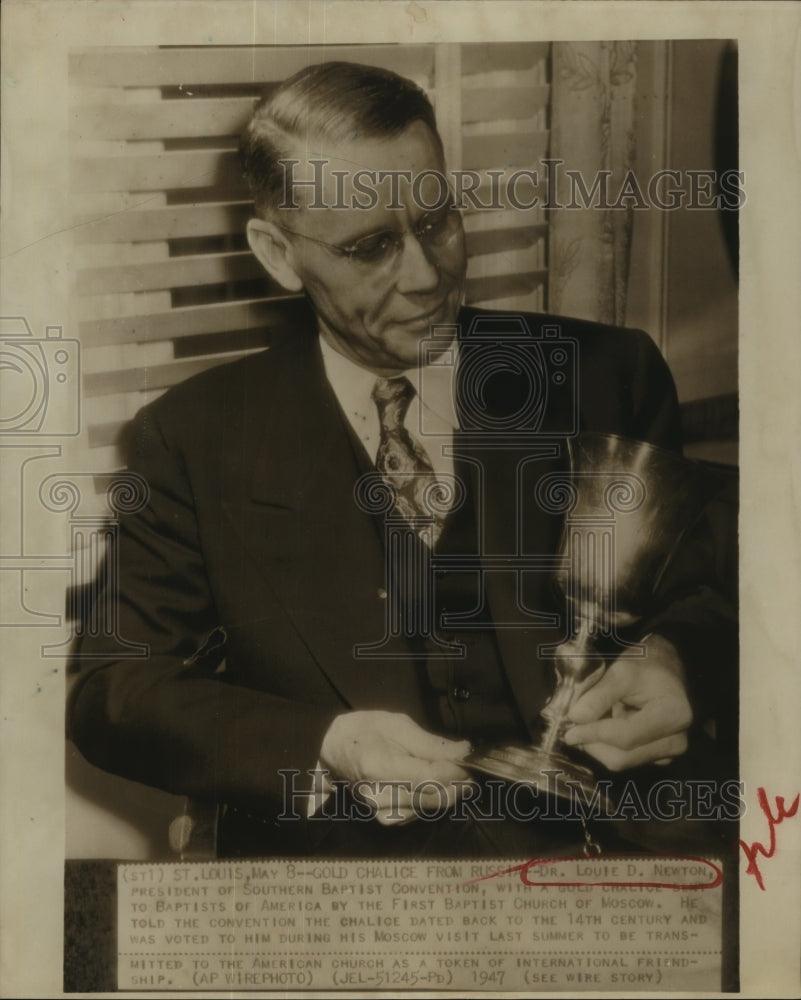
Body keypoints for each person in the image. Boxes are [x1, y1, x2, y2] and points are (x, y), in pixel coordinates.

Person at [67, 61, 736, 859]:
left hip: (609, 861)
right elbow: (118, 690)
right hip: (354, 897)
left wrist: (678, 662)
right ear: (278, 255)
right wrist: (325, 742)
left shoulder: (607, 374)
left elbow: (717, 594)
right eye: (369, 246)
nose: (425, 276)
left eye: (436, 221)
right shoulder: (192, 436)